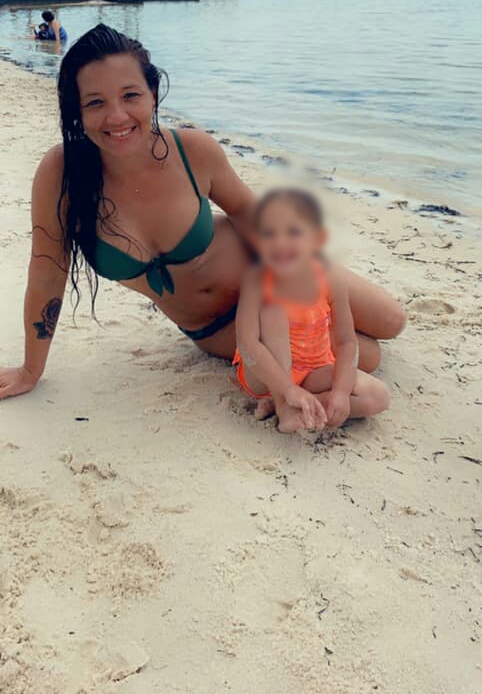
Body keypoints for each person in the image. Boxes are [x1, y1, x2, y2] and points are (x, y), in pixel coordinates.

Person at [0, 24, 405, 403]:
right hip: (214, 328)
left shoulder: (192, 151)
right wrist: (31, 369)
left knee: (391, 320)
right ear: (77, 109)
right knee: (367, 356)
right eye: (95, 102)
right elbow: (47, 270)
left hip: (277, 275)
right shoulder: (62, 175)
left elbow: (252, 215)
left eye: (130, 96)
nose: (117, 116)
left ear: (152, 94)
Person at [234, 189, 390, 433]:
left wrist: (340, 393)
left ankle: (300, 404)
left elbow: (347, 342)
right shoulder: (258, 279)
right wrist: (287, 389)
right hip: (266, 374)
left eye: (293, 233)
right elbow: (247, 344)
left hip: (313, 371)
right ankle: (284, 404)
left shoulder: (331, 278)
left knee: (378, 396)